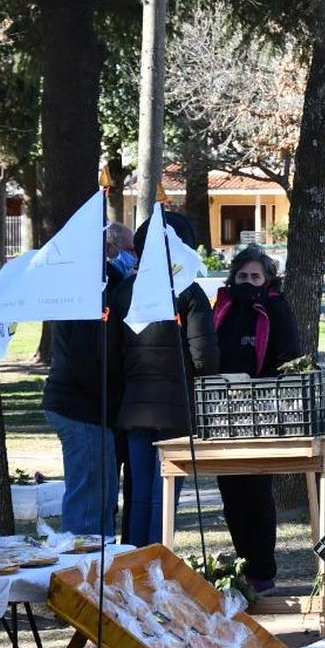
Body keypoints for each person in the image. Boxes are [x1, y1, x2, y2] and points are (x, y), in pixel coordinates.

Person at [110, 212, 220, 547]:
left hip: (134, 407)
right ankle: (157, 562)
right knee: (165, 492)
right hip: (177, 411)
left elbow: (112, 351)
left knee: (139, 492)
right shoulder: (189, 291)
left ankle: (133, 561)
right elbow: (205, 357)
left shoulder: (124, 291)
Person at [209, 247, 299, 596]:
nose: (248, 282)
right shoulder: (224, 306)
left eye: (255, 277)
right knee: (231, 493)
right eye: (243, 277)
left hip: (261, 411)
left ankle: (263, 572)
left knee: (257, 492)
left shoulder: (276, 306)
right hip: (222, 411)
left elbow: (288, 355)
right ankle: (245, 565)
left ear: (267, 280)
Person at [42, 221, 136, 537]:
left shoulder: (106, 285)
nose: (130, 256)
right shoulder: (88, 291)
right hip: (81, 406)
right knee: (89, 501)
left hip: (90, 406)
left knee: (103, 493)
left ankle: (98, 570)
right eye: (128, 249)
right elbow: (87, 359)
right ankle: (81, 573)